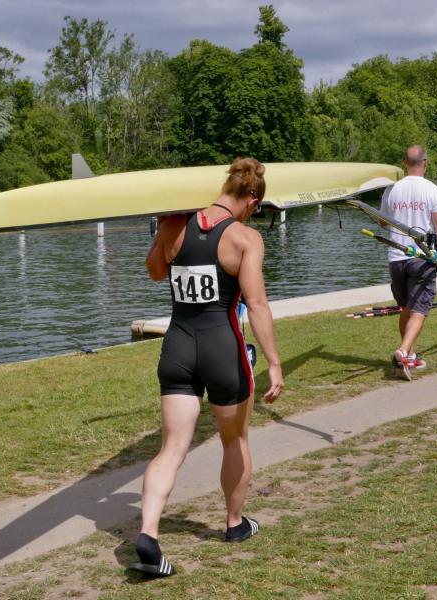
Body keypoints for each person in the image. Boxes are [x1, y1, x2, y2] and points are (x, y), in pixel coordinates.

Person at [131, 157, 284, 577]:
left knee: (171, 447)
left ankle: (148, 534)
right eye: (256, 205)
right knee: (234, 441)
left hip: (177, 348)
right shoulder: (245, 238)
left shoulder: (174, 225)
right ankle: (235, 525)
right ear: (251, 198)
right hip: (223, 349)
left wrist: (165, 227)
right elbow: (256, 304)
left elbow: (155, 272)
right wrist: (273, 362)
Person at [380, 145, 437, 381]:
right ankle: (402, 351)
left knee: (406, 308)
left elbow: (381, 223)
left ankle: (408, 355)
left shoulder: (391, 189)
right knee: (420, 309)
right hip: (422, 258)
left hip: (396, 258)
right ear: (425, 162)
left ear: (404, 162)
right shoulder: (433, 191)